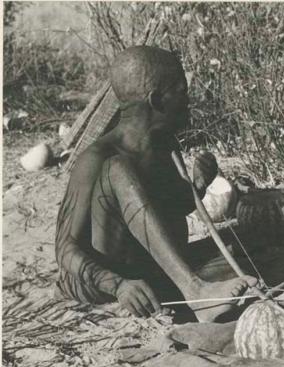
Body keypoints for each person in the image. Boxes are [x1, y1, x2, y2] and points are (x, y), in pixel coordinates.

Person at [55, 46, 256, 322]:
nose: (188, 100)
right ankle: (194, 290)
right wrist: (118, 285)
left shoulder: (164, 145)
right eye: (182, 91)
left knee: (243, 249)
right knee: (118, 169)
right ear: (157, 100)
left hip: (148, 271)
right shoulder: (97, 158)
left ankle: (191, 286)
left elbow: (158, 213)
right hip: (104, 280)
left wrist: (197, 184)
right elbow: (65, 249)